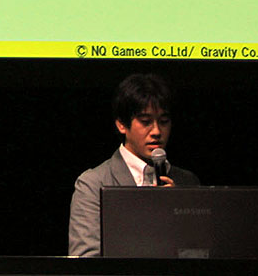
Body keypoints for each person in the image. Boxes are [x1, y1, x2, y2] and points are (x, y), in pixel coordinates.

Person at [67, 73, 200, 257]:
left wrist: (179, 215)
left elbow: (200, 255)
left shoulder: (187, 181)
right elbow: (86, 259)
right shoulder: (93, 184)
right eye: (146, 122)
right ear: (121, 125)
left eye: (164, 121)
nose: (156, 131)